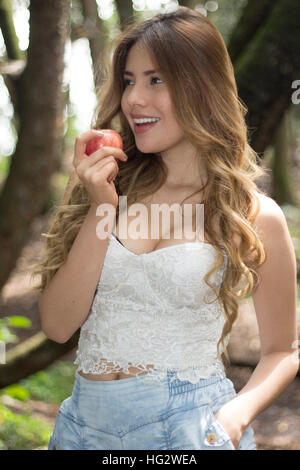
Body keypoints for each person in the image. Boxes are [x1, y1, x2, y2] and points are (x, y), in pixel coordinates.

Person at [31, 6, 299, 451]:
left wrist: (230, 422)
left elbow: (282, 351)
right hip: (84, 429)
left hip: (189, 429)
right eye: (130, 81)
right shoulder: (104, 188)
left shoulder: (252, 213)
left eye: (156, 80)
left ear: (202, 86)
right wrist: (101, 209)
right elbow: (58, 326)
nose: (134, 99)